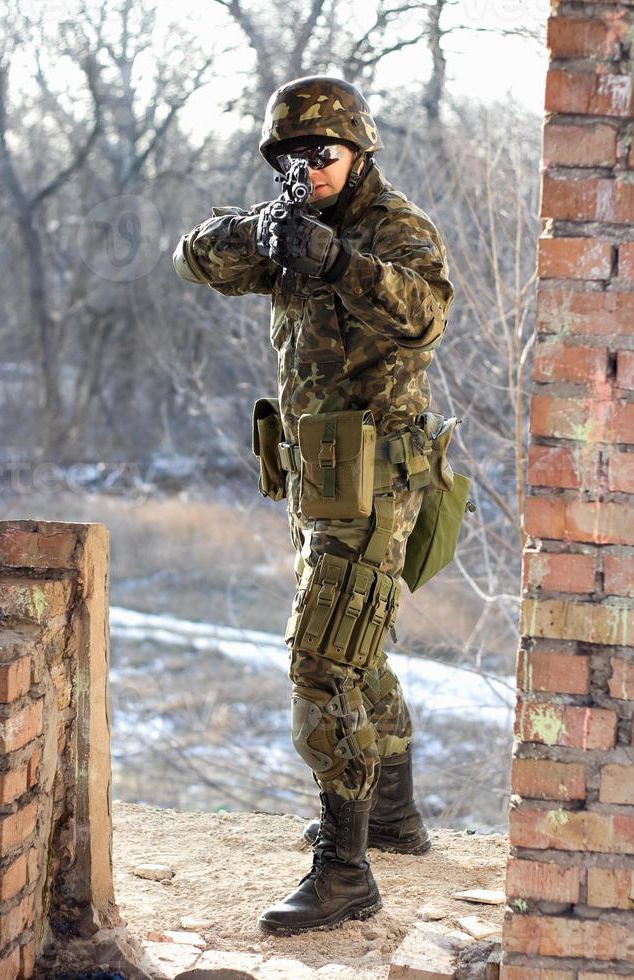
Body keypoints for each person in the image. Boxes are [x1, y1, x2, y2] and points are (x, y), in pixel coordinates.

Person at [173, 75, 454, 935]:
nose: (309, 168)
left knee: (321, 661)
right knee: (358, 645)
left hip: (374, 475)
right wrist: (255, 230)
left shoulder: (391, 227)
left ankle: (344, 871)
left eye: (321, 154)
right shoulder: (291, 224)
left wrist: (337, 264)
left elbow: (426, 315)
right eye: (291, 157)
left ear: (357, 150)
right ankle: (396, 820)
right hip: (318, 477)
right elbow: (194, 259)